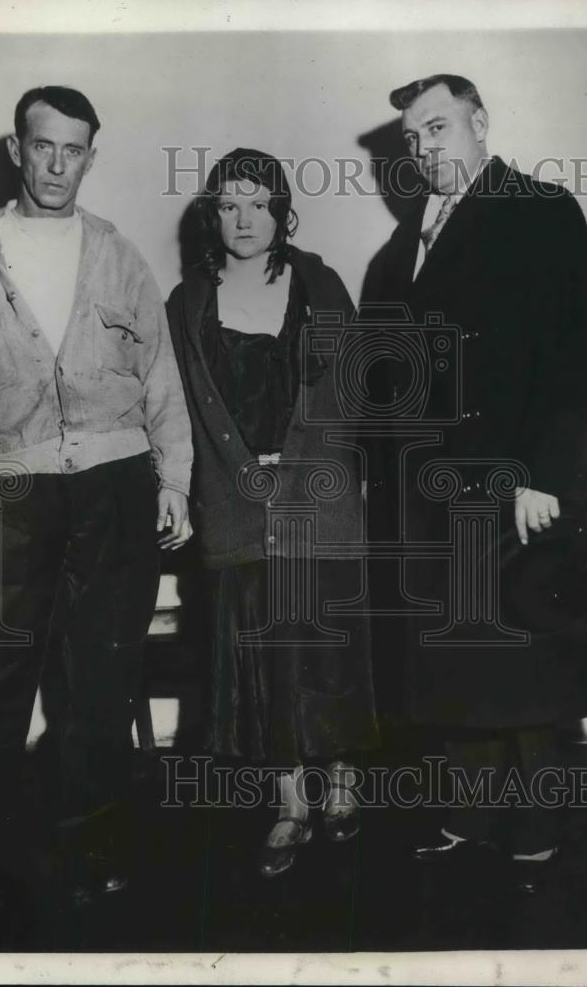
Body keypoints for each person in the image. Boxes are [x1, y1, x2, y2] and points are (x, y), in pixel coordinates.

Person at [0, 86, 193, 905]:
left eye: (75, 150)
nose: (58, 164)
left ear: (90, 157)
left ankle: (89, 853)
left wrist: (173, 479)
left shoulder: (118, 254)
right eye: (44, 147)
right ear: (17, 149)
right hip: (5, 493)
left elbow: (161, 380)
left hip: (116, 492)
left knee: (99, 686)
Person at [365, 74, 587, 892]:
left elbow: (578, 351)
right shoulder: (403, 247)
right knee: (458, 656)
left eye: (438, 127)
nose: (425, 148)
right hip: (434, 491)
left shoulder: (539, 209)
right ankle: (466, 812)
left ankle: (541, 825)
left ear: (480, 123)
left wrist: (544, 472)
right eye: (413, 137)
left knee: (528, 654)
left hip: (518, 482)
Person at [166, 149, 379, 877]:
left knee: (326, 647)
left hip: (318, 500)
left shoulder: (320, 283)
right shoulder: (187, 300)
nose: (244, 217)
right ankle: (290, 803)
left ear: (282, 209)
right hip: (233, 505)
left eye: (257, 202)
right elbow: (185, 411)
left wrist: (303, 466)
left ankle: (343, 785)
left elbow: (350, 394)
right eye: (228, 204)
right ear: (211, 214)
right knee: (261, 657)